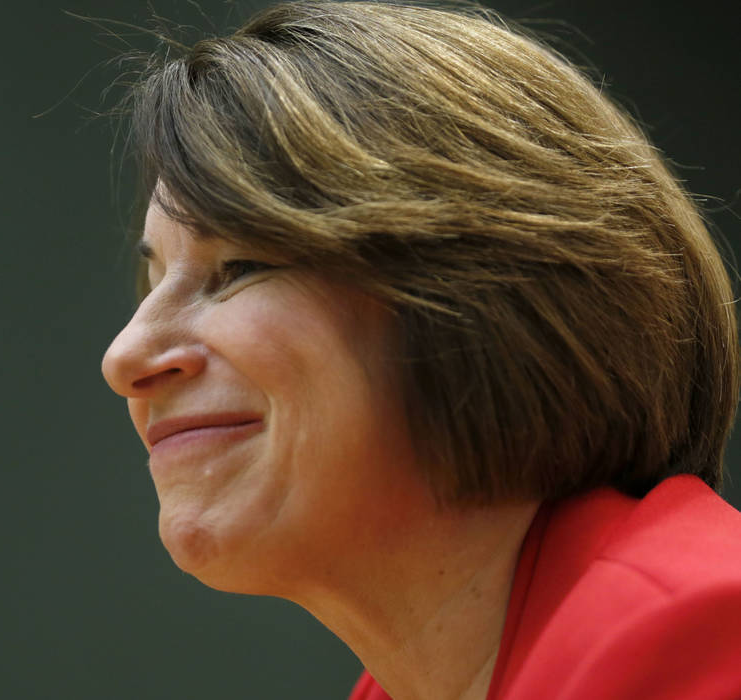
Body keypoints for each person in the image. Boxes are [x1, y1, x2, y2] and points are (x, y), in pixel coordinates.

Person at [100, 2, 741, 698]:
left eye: (243, 267)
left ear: (486, 289)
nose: (126, 356)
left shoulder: (698, 630)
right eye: (154, 282)